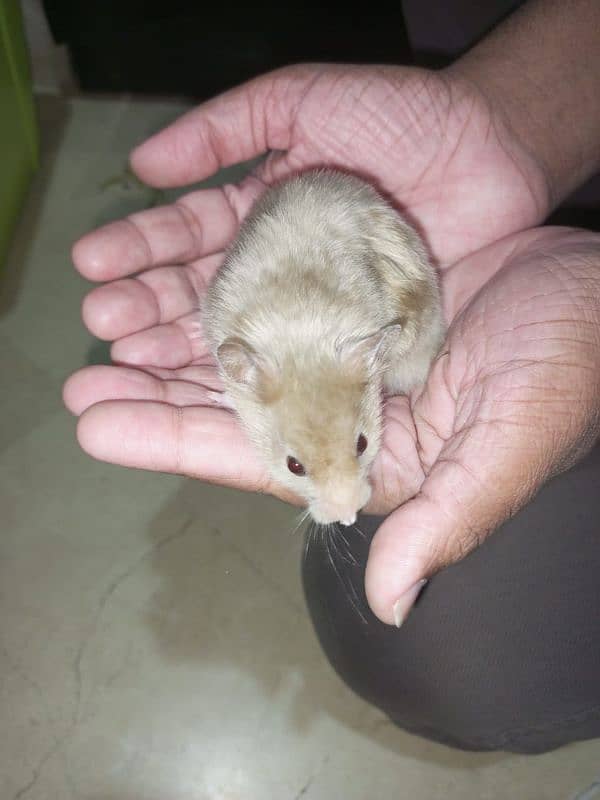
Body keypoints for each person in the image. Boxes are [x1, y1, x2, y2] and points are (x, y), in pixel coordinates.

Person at [63, 0, 600, 752]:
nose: (339, 504)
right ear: (237, 377)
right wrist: (503, 115)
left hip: (380, 300)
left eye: (351, 447)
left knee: (451, 646)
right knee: (385, 619)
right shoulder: (244, 351)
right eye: (298, 465)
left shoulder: (359, 345)